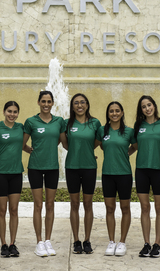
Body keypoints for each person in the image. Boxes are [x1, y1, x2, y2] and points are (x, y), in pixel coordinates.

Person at [22, 90, 65, 257]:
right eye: (43, 101)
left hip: (52, 167)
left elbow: (62, 140)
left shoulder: (59, 121)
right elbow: (22, 143)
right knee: (38, 205)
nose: (46, 104)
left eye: (49, 101)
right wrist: (30, 150)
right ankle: (39, 241)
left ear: (53, 103)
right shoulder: (31, 121)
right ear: (39, 102)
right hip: (35, 167)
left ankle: (48, 240)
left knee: (50, 204)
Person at [60, 93, 101, 255]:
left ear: (87, 104)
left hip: (90, 167)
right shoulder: (67, 123)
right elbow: (65, 144)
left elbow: (96, 142)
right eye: (76, 103)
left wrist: (86, 152)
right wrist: (77, 151)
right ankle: (76, 240)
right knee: (74, 204)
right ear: (72, 106)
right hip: (72, 167)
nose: (79, 105)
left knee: (88, 204)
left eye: (82, 102)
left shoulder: (95, 123)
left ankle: (87, 240)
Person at [132, 95, 160, 258]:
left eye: (149, 105)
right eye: (143, 106)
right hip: (141, 170)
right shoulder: (138, 125)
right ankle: (147, 243)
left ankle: (157, 244)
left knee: (159, 208)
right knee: (145, 207)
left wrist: (158, 150)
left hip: (157, 170)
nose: (147, 108)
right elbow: (134, 146)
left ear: (154, 106)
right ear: (141, 110)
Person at [95, 101, 136, 257]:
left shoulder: (129, 131)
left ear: (122, 112)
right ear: (108, 113)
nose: (114, 113)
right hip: (108, 175)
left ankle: (122, 242)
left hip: (124, 174)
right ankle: (111, 241)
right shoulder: (102, 131)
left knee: (125, 209)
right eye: (111, 111)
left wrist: (126, 154)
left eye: (117, 111)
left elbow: (136, 146)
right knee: (109, 209)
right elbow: (99, 145)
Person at [0, 101, 24, 258]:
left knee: (14, 210)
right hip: (0, 173)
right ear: (4, 112)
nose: (12, 114)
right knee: (2, 210)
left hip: (16, 173)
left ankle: (12, 243)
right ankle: (3, 244)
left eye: (15, 112)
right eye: (9, 111)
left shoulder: (21, 127)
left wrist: (30, 149)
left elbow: (23, 145)